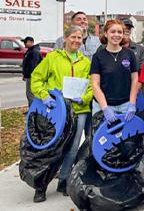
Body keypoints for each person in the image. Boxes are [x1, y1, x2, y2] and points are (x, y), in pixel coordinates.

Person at [30, 25, 93, 202]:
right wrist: (44, 96)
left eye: (79, 38)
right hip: (56, 111)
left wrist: (85, 98)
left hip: (78, 111)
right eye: (73, 37)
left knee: (72, 148)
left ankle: (63, 180)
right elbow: (36, 79)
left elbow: (91, 86)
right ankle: (40, 186)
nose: (76, 41)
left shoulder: (85, 62)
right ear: (65, 38)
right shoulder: (52, 58)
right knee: (51, 149)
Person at [91, 20, 138, 123]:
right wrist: (105, 108)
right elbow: (95, 84)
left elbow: (135, 80)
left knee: (126, 138)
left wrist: (132, 103)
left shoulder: (130, 54)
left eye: (119, 32)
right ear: (106, 34)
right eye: (113, 32)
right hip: (103, 106)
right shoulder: (98, 56)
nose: (116, 35)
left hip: (126, 106)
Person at [21, 36, 42, 107]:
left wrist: (28, 75)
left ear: (31, 42)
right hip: (29, 76)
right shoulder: (30, 50)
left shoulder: (34, 52)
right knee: (29, 94)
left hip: (32, 76)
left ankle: (33, 111)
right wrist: (24, 75)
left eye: (25, 42)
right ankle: (31, 109)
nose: (24, 44)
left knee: (30, 94)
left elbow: (32, 66)